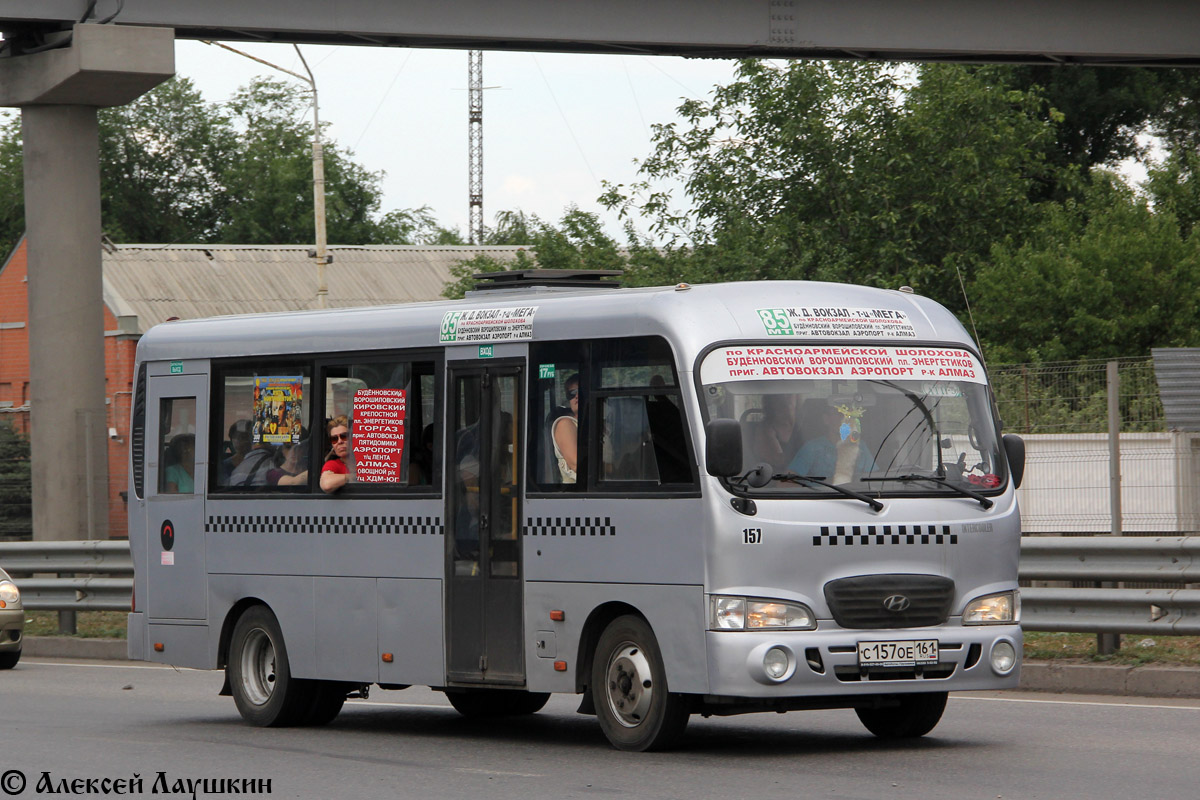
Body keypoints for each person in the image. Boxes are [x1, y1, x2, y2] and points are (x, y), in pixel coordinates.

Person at [787, 402, 876, 484]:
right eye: (840, 414)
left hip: (860, 498)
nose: (846, 418)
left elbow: (875, 481)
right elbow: (786, 484)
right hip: (821, 499)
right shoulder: (812, 448)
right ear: (826, 419)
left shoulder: (860, 446)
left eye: (849, 415)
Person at [751, 393, 801, 471]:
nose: (786, 397)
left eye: (790, 393)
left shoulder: (803, 425)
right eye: (781, 395)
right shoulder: (765, 428)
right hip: (774, 478)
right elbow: (778, 461)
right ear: (771, 401)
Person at [551, 373, 580, 483]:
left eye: (580, 390)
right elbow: (577, 465)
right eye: (571, 393)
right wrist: (613, 468)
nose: (576, 396)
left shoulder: (603, 425)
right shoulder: (566, 424)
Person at [320, 415, 353, 493]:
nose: (339, 441)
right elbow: (326, 484)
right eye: (334, 439)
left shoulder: (367, 461)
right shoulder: (333, 464)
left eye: (344, 436)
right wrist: (353, 477)